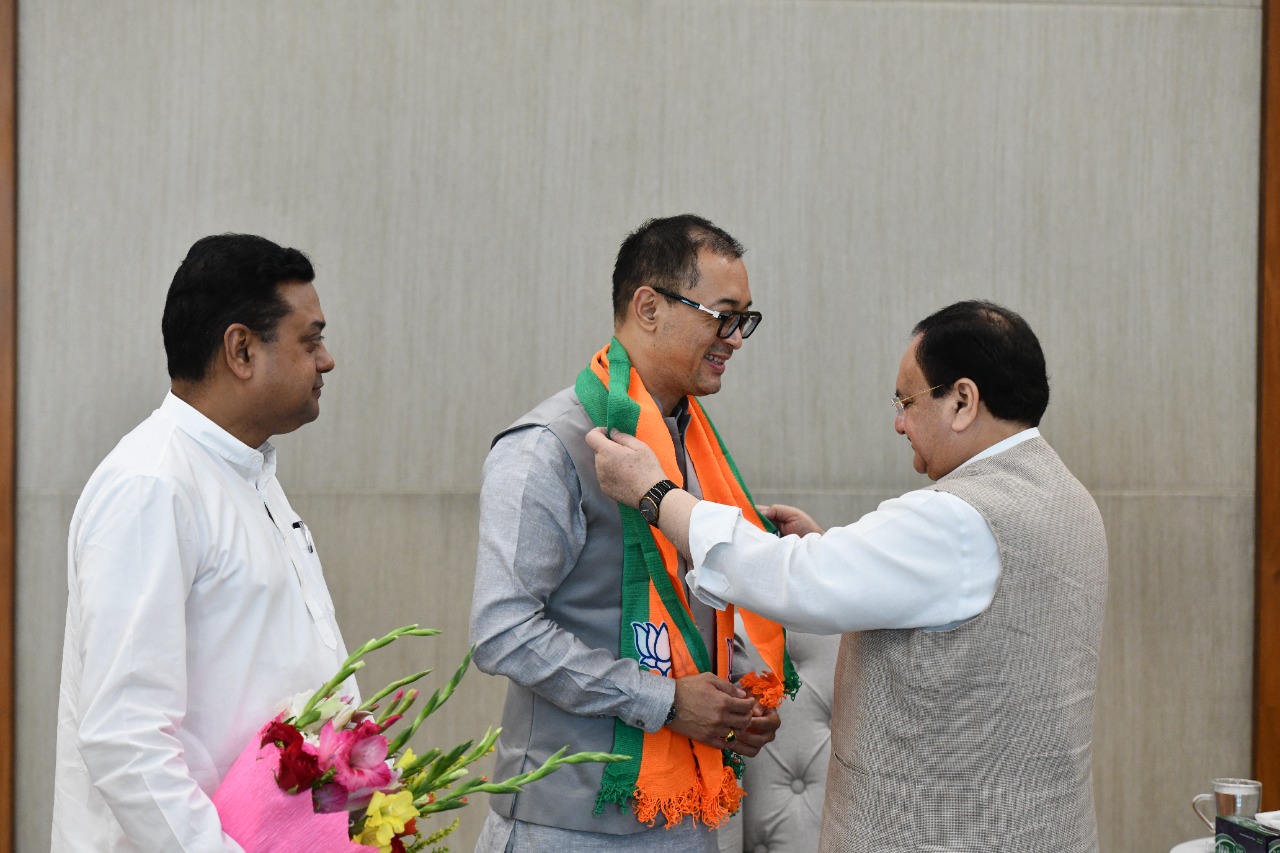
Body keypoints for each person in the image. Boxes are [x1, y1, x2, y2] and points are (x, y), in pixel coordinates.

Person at [587, 300, 1108, 853]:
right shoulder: (1067, 498)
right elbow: (954, 597)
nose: (899, 422)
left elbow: (795, 579)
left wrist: (657, 494)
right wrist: (830, 550)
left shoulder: (957, 517)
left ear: (962, 400)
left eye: (906, 400)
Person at [470, 215, 797, 853]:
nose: (734, 337)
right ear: (648, 307)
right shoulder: (547, 446)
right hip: (566, 822)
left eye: (744, 319)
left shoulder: (699, 449)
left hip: (689, 814)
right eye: (722, 315)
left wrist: (736, 704)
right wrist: (665, 701)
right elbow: (501, 632)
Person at [51, 234, 355, 852]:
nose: (326, 360)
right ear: (240, 349)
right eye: (310, 339)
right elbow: (124, 738)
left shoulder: (250, 474)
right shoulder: (151, 485)